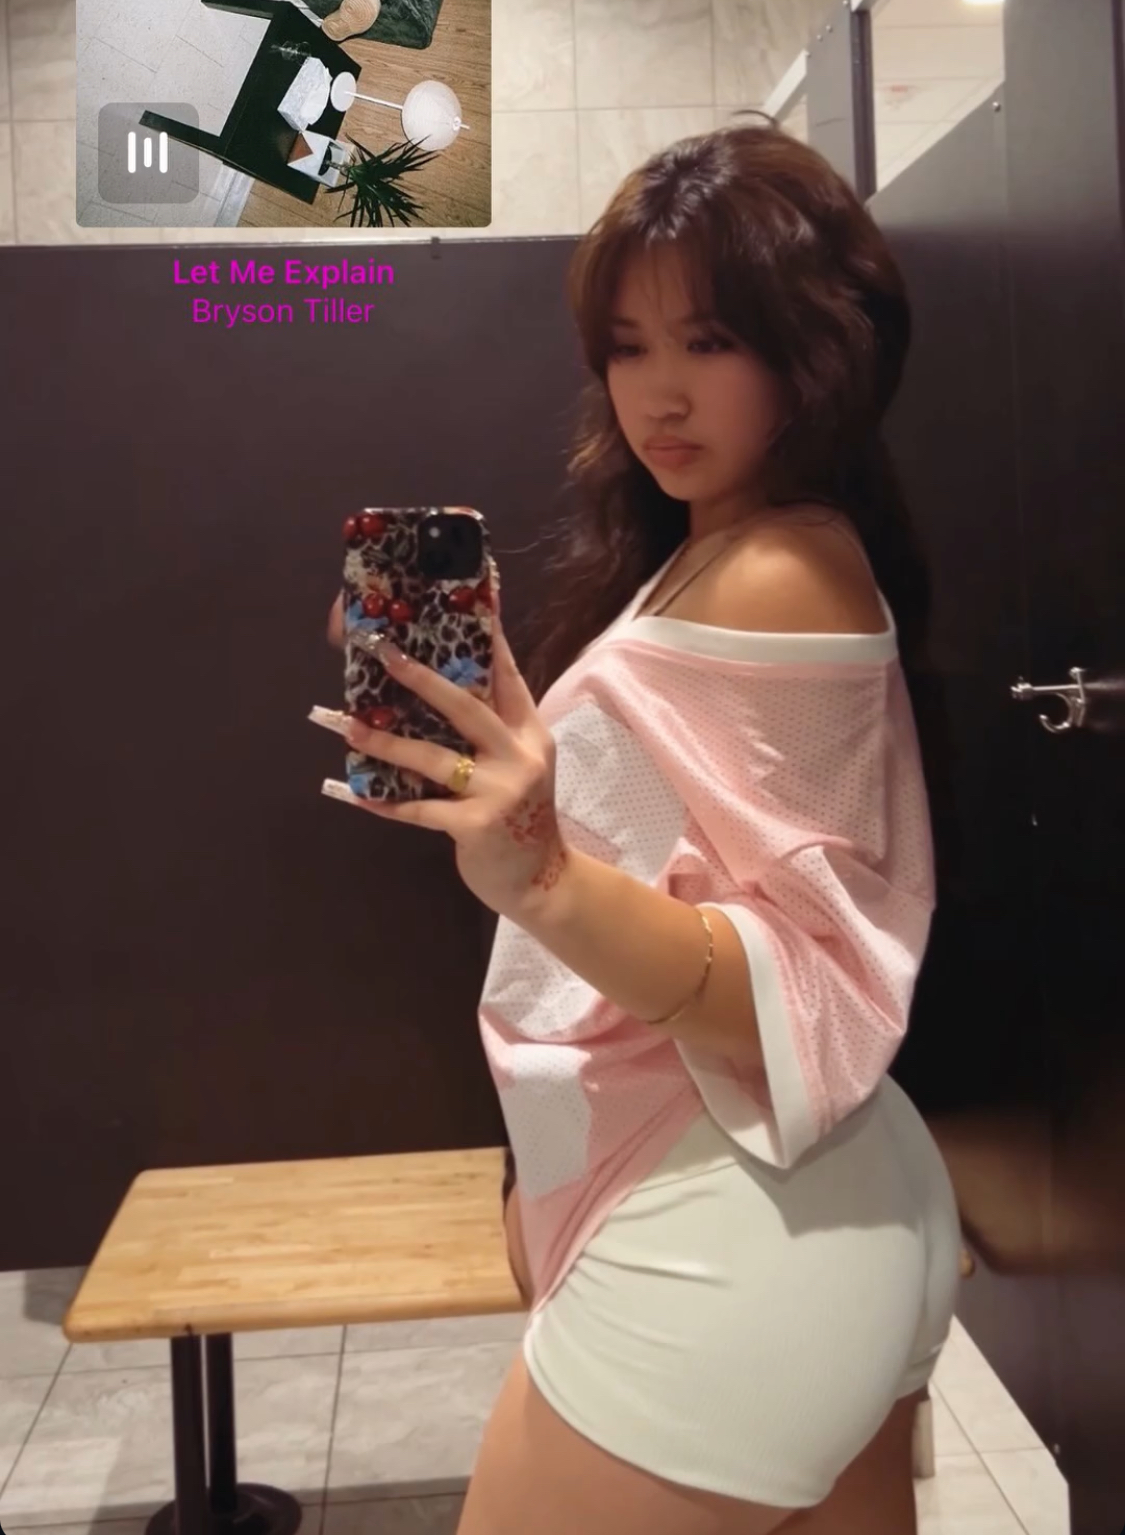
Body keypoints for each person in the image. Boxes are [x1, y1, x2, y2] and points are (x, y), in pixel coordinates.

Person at [314, 122, 962, 1535]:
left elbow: (799, 970)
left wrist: (541, 878)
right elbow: (676, 830)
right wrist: (499, 733)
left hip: (731, 1208)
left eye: (709, 341)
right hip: (817, 1194)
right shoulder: (734, 550)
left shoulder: (775, 568)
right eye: (626, 346)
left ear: (818, 347)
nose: (656, 393)